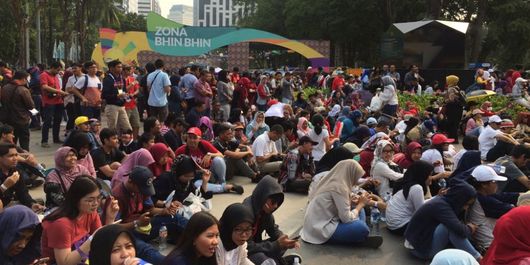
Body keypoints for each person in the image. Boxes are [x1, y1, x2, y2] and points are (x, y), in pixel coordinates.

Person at [301, 159, 383, 248]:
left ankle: (356, 234)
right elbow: (346, 219)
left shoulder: (333, 181)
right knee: (361, 227)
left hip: (315, 225)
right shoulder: (339, 187)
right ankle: (358, 236)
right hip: (320, 229)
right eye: (356, 176)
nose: (356, 179)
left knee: (359, 210)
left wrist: (354, 204)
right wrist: (360, 204)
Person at [41, 176, 120, 265]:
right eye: (90, 200)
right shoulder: (62, 224)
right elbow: (64, 263)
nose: (96, 203)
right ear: (76, 200)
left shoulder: (90, 213)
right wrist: (91, 240)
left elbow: (101, 241)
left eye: (98, 198)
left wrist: (110, 218)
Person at [405, 182, 481, 261]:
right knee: (449, 228)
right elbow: (461, 230)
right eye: (466, 204)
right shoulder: (441, 207)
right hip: (418, 250)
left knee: (454, 228)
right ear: (459, 199)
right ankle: (479, 259)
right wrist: (470, 228)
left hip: (418, 243)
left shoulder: (443, 201)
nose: (466, 208)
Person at [243, 176, 301, 265]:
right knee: (261, 256)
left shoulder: (264, 210)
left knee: (281, 245)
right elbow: (246, 246)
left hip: (254, 245)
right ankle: (278, 261)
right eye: (273, 202)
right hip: (242, 250)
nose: (275, 206)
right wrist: (276, 245)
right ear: (263, 197)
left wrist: (284, 239)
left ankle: (277, 261)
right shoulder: (246, 213)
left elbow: (273, 230)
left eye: (277, 203)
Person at [175, 127, 243, 194]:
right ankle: (225, 187)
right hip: (197, 178)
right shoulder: (180, 150)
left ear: (199, 139)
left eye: (194, 138)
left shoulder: (204, 144)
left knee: (218, 160)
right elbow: (176, 168)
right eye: (190, 137)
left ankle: (222, 182)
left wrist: (210, 154)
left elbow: (221, 155)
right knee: (196, 185)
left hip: (211, 173)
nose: (192, 140)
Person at [466, 165, 518, 252]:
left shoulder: (480, 195)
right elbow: (514, 211)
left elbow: (504, 196)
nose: (496, 184)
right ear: (484, 185)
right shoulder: (484, 200)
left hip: (491, 244)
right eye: (494, 181)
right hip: (490, 247)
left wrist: (522, 195)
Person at [386, 161, 434, 235]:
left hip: (392, 224)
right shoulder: (417, 188)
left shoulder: (408, 182)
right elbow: (421, 211)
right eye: (430, 175)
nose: (431, 178)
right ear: (422, 175)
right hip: (400, 226)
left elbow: (420, 203)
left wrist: (437, 197)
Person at [0, 143, 44, 212]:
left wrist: (31, 204)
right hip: (2, 207)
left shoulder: (14, 171)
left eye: (16, 155)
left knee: (38, 203)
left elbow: (22, 192)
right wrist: (4, 187)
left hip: (10, 204)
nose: (15, 158)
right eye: (11, 156)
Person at [0, 71, 35, 151]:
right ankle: (25, 160)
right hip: (21, 120)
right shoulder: (23, 90)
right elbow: (31, 106)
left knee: (10, 142)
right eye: (27, 79)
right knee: (24, 143)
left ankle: (10, 157)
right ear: (23, 79)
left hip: (7, 120)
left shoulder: (4, 88)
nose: (27, 81)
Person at [40, 62, 67, 147]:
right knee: (47, 121)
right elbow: (44, 86)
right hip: (49, 102)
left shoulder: (56, 76)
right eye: (57, 70)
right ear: (52, 67)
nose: (58, 72)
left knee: (58, 120)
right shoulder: (44, 75)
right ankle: (44, 141)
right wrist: (58, 91)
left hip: (58, 101)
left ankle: (56, 138)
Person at [102, 60, 132, 133]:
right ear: (111, 68)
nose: (121, 69)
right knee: (112, 129)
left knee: (127, 128)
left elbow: (123, 91)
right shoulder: (108, 79)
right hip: (112, 106)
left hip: (121, 106)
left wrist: (127, 96)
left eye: (121, 67)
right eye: (118, 67)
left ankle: (125, 142)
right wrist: (117, 96)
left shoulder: (121, 78)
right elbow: (104, 95)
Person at [443, 75, 466, 142]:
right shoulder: (457, 88)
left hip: (452, 108)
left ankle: (453, 139)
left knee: (452, 124)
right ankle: (454, 139)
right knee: (455, 124)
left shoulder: (451, 89)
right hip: (458, 108)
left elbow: (451, 99)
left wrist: (445, 101)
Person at [123, 65, 141, 139]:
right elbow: (124, 90)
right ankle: (127, 140)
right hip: (124, 106)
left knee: (136, 124)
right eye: (128, 70)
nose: (130, 71)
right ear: (124, 71)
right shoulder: (121, 80)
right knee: (126, 126)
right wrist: (132, 84)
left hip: (133, 105)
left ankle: (135, 140)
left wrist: (133, 94)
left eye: (131, 70)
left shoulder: (133, 78)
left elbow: (137, 89)